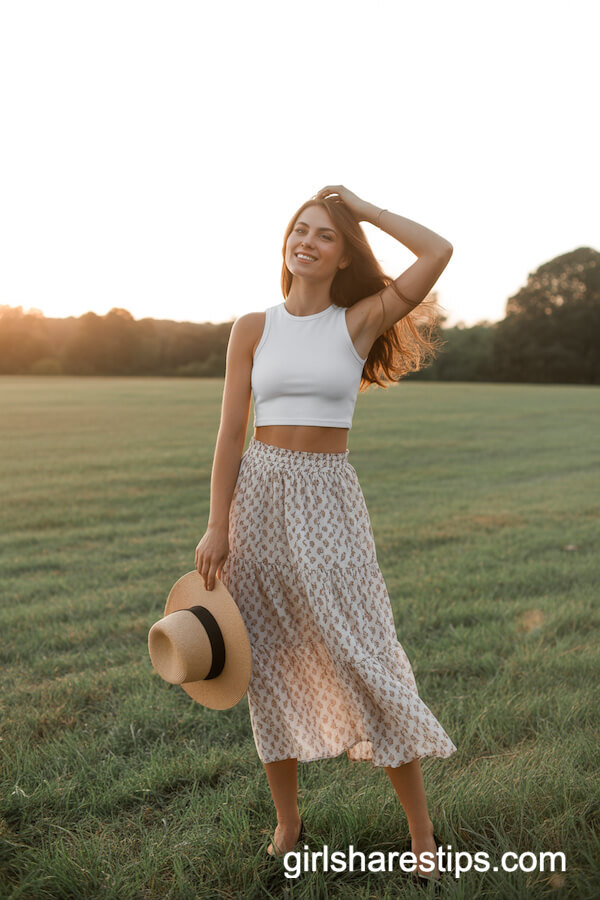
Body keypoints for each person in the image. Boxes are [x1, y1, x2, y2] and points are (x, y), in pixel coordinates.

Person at [194, 185, 456, 882]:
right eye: (299, 231)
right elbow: (229, 434)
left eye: (324, 236)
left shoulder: (361, 319)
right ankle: (287, 822)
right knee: (268, 661)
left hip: (329, 498)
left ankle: (422, 835)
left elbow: (438, 252)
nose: (306, 241)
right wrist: (218, 524)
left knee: (364, 653)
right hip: (259, 498)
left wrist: (363, 211)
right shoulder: (252, 327)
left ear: (343, 256)